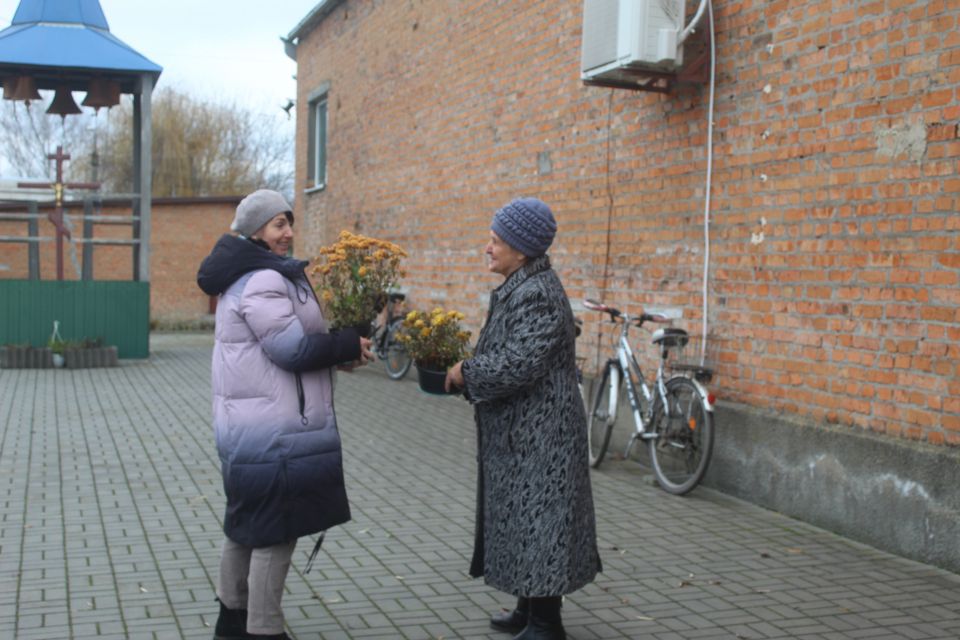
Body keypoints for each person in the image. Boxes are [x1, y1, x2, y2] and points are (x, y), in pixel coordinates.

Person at [197, 189, 373, 640]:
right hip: (275, 432)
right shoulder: (261, 279)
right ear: (256, 230)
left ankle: (231, 623)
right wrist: (346, 344)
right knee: (276, 532)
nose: (288, 233)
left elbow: (294, 344)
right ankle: (263, 630)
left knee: (245, 525)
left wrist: (342, 353)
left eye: (289, 222)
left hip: (254, 427)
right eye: (278, 224)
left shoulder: (253, 273)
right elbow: (291, 348)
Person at [445, 197, 601, 640]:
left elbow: (518, 363)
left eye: (496, 241)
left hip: (543, 436)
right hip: (523, 432)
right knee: (522, 519)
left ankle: (546, 624)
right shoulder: (523, 285)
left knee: (542, 522)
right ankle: (527, 608)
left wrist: (464, 373)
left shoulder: (538, 294)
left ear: (522, 248)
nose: (488, 248)